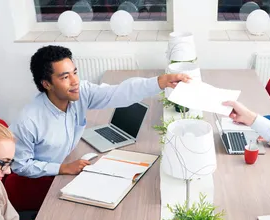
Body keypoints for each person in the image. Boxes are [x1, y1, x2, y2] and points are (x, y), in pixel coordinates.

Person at [10, 45, 190, 178]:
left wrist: (161, 81)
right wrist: (62, 168)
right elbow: (20, 166)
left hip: (68, 164)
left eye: (75, 72)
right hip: (43, 180)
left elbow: (119, 92)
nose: (75, 81)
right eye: (65, 77)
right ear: (46, 84)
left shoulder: (80, 92)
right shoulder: (28, 122)